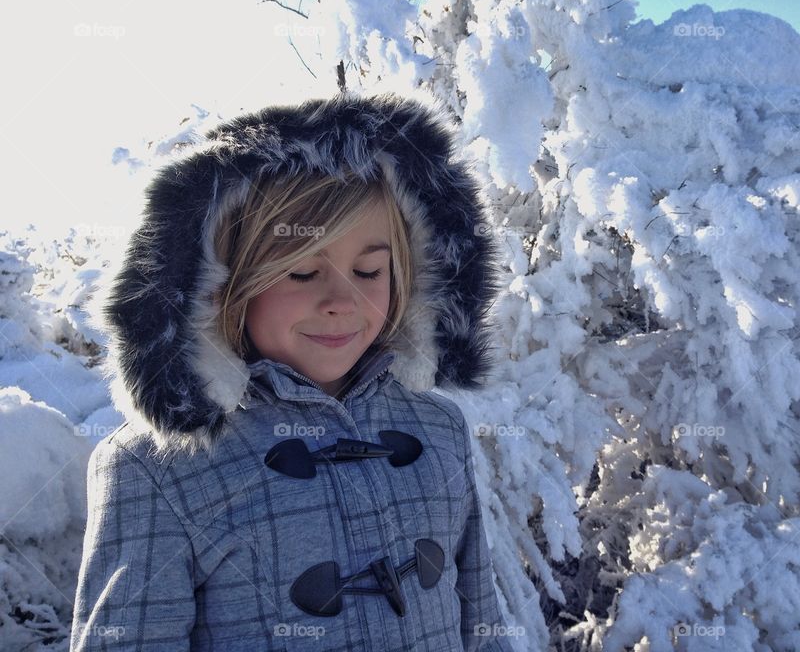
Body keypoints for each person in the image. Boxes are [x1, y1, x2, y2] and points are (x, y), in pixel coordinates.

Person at [70, 93, 515, 651]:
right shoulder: (158, 470)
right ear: (220, 283)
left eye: (369, 271)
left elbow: (482, 625)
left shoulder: (439, 429)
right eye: (302, 272)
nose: (342, 302)